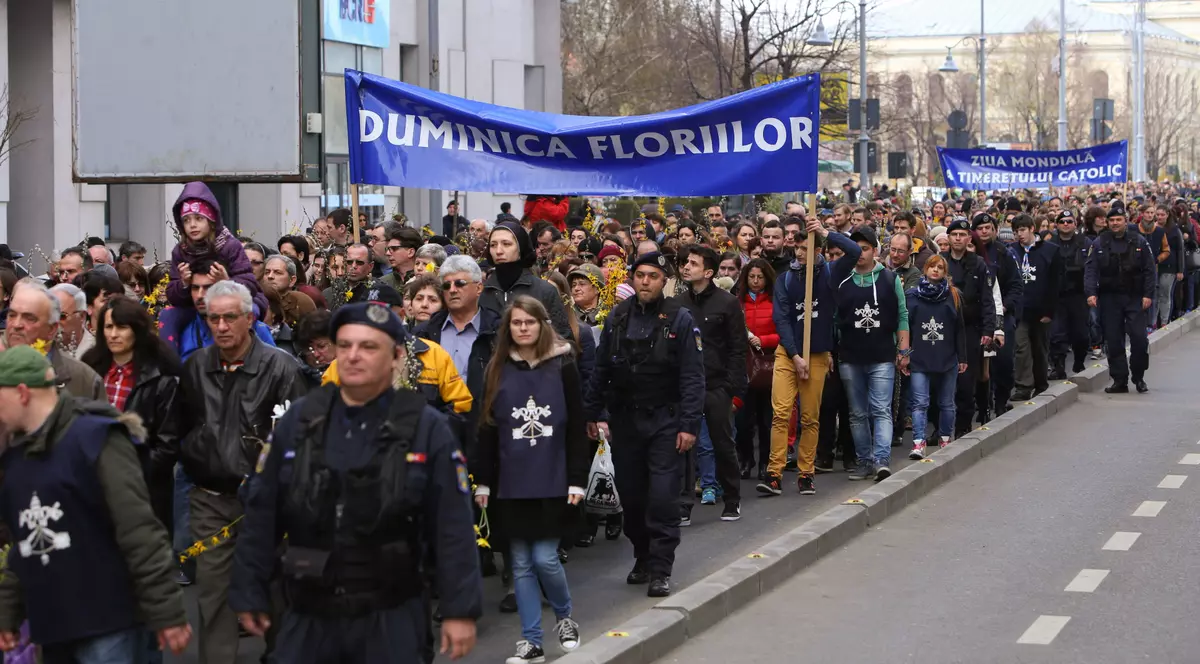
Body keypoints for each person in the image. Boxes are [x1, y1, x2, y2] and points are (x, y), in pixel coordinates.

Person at [230, 303, 482, 662]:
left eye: (368, 347)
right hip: (309, 609)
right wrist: (249, 588)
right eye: (344, 345)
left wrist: (460, 608)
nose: (353, 356)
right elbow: (262, 511)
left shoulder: (426, 429)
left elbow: (453, 525)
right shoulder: (301, 420)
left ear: (396, 356)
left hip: (390, 610)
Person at [0, 345, 192, 661]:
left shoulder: (97, 437)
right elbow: (25, 546)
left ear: (22, 392)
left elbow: (139, 528)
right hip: (55, 625)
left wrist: (166, 610)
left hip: (108, 620)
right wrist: (8, 612)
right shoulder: (17, 458)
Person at [178, 280, 307, 663]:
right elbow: (182, 423)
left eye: (229, 318)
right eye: (212, 318)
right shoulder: (196, 366)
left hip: (268, 500)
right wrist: (196, 453)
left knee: (276, 590)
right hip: (212, 498)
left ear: (250, 319)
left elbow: (299, 435)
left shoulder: (280, 365)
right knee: (213, 594)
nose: (220, 326)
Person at [584, 252, 705, 598]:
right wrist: (593, 413)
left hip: (666, 420)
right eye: (640, 275)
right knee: (633, 498)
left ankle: (661, 568)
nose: (646, 282)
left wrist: (688, 426)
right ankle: (642, 554)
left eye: (653, 276)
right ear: (633, 279)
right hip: (626, 420)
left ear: (663, 280)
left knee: (663, 498)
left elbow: (693, 377)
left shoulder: (679, 319)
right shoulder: (618, 317)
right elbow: (602, 368)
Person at [474, 296, 587, 663]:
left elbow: (574, 428)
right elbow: (488, 429)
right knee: (519, 563)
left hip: (553, 477)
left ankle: (565, 615)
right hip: (511, 480)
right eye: (516, 323)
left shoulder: (563, 366)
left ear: (542, 325)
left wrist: (576, 479)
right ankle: (531, 640)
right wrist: (485, 482)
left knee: (545, 558)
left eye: (529, 322)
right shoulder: (497, 368)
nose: (523, 328)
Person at [761, 219, 860, 496]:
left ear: (818, 250)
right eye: (798, 248)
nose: (801, 253)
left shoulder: (830, 273)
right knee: (781, 414)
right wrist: (794, 355)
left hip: (816, 355)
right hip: (788, 355)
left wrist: (826, 233)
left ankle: (806, 472)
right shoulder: (786, 279)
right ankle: (774, 473)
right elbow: (781, 319)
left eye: (807, 248)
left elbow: (853, 251)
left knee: (810, 417)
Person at [81, 295, 183, 538]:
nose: (114, 334)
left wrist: (129, 472)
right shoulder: (91, 367)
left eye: (121, 327)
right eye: (108, 327)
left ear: (137, 329)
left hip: (142, 488)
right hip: (92, 481)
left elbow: (167, 445)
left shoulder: (161, 377)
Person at [676, 246, 746, 522]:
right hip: (686, 386)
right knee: (683, 445)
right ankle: (683, 504)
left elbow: (738, 348)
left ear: (708, 271)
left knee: (722, 443)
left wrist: (731, 386)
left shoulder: (727, 303)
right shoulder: (678, 303)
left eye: (693, 263)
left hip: (717, 385)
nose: (686, 267)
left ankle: (731, 499)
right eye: (685, 262)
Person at [835, 226, 910, 482]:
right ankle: (864, 461)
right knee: (857, 413)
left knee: (881, 409)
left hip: (881, 357)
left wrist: (903, 350)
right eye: (855, 248)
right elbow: (834, 320)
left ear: (875, 250)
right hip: (851, 357)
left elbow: (902, 315)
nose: (860, 253)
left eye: (865, 248)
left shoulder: (889, 279)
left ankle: (881, 460)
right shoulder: (842, 280)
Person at [1085, 204, 1155, 393]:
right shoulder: (1099, 243)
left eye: (1119, 220)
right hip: (1110, 299)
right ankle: (1119, 380)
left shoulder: (1138, 241)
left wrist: (1148, 295)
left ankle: (1138, 376)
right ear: (1107, 223)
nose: (1115, 223)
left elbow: (1150, 269)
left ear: (1126, 221)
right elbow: (1091, 270)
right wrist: (1091, 292)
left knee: (1139, 339)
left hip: (1134, 297)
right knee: (1114, 341)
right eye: (1112, 220)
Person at [904, 256, 967, 458]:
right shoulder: (912, 295)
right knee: (919, 402)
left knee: (946, 402)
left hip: (947, 355)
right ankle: (918, 442)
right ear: (925, 268)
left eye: (940, 267)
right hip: (920, 356)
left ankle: (945, 438)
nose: (936, 270)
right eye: (932, 266)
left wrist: (962, 356)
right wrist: (903, 354)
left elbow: (960, 328)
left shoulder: (953, 295)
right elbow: (906, 328)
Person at [941, 219, 997, 436]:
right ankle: (942, 429)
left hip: (970, 330)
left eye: (962, 234)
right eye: (954, 234)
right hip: (944, 330)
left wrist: (988, 330)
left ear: (968, 238)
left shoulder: (979, 264)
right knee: (944, 383)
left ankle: (963, 429)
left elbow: (987, 300)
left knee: (966, 383)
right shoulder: (941, 262)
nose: (957, 239)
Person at [5, 279, 104, 400]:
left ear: (52, 329)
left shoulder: (84, 380)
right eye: (12, 315)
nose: (16, 324)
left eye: (29, 318)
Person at [481, 221, 572, 339]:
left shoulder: (544, 291)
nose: (498, 251)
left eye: (506, 244)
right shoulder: (483, 292)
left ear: (520, 248)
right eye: (493, 245)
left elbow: (565, 340)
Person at [1010, 214, 1062, 400]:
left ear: (1032, 228)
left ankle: (1041, 383)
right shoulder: (1011, 251)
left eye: (1023, 230)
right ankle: (1024, 386)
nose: (1019, 235)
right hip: (1019, 310)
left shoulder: (1050, 251)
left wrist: (1049, 311)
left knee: (1039, 348)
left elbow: (1055, 283)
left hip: (1041, 310)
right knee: (1021, 347)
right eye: (1016, 231)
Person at [735, 258, 778, 480]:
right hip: (743, 366)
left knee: (766, 420)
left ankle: (765, 462)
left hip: (767, 365)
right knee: (743, 421)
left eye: (760, 277)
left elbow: (782, 332)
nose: (755, 281)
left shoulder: (775, 301)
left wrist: (763, 339)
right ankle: (746, 459)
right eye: (751, 277)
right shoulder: (738, 302)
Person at [1049, 209, 1093, 379]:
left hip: (1079, 295)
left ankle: (1079, 361)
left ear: (1075, 224)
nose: (1066, 224)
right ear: (1057, 225)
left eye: (1069, 221)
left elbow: (1092, 268)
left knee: (1081, 334)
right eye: (1062, 222)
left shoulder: (1085, 242)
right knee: (1057, 333)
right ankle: (1058, 366)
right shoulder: (1050, 243)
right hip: (1057, 295)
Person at [262, 255, 317, 327]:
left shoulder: (301, 301)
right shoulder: (255, 298)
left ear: (292, 280)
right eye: (267, 272)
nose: (270, 276)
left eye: (277, 272)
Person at [50, 283, 94, 358]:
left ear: (82, 316)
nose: (54, 322)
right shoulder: (40, 349)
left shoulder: (96, 352)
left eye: (62, 316)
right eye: (50, 316)